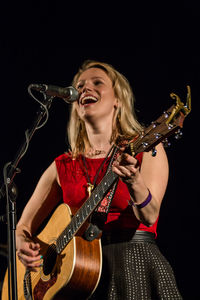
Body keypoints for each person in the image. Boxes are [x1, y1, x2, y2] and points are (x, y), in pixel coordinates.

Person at [15, 60, 182, 299]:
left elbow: (150, 215)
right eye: (80, 86)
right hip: (76, 277)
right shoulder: (61, 165)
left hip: (132, 262)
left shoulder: (146, 148)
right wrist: (22, 244)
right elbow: (23, 227)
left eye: (97, 83)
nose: (85, 89)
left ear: (118, 100)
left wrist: (134, 181)